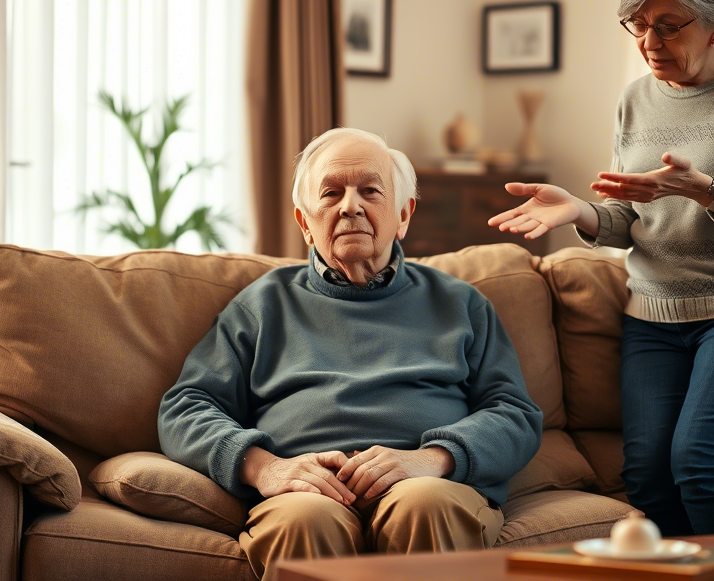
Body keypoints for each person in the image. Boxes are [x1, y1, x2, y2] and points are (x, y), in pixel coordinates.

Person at [487, 0, 714, 536]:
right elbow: (628, 218)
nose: (649, 43)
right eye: (637, 26)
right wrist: (580, 212)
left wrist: (707, 190)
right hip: (655, 314)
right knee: (646, 477)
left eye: (667, 26)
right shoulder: (635, 99)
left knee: (699, 461)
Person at [159, 127, 543, 580]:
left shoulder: (460, 302)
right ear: (305, 222)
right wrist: (265, 468)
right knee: (304, 521)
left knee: (423, 504)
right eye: (331, 193)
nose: (350, 206)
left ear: (403, 214)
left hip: (428, 486)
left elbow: (514, 413)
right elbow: (185, 407)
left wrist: (432, 458)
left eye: (370, 190)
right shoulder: (261, 306)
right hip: (307, 497)